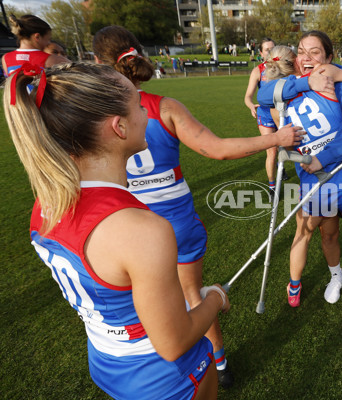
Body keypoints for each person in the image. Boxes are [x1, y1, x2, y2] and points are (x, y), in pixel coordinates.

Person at [92, 25, 303, 388]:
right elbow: (217, 149)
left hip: (122, 227)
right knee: (192, 295)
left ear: (98, 62)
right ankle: (218, 364)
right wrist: (278, 138)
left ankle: (155, 364)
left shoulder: (88, 116)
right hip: (175, 222)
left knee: (135, 302)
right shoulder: (163, 107)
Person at [5, 61, 230, 400]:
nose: (146, 113)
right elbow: (173, 343)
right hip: (163, 376)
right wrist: (214, 298)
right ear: (119, 127)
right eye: (139, 106)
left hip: (107, 363)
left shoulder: (45, 203)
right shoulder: (141, 230)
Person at [259, 34, 342, 325]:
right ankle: (312, 280)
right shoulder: (286, 88)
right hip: (314, 184)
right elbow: (263, 95)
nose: (306, 58)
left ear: (329, 58)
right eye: (301, 52)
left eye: (315, 53)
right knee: (317, 234)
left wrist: (321, 159)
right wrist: (305, 83)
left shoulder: (337, 81)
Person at [244, 37, 288, 194]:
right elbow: (248, 96)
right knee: (272, 151)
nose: (271, 52)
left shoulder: (284, 68)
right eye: (267, 50)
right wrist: (250, 105)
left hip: (283, 113)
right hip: (265, 115)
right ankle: (272, 187)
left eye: (273, 49)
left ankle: (279, 167)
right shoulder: (258, 71)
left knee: (288, 147)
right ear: (261, 53)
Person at [2, 14, 69, 77]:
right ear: (37, 37)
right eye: (48, 39)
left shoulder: (5, 58)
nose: (49, 43)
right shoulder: (54, 59)